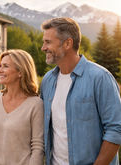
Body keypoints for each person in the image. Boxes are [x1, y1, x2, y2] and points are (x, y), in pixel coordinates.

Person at [40, 17, 121, 165]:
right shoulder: (47, 81)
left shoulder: (100, 78)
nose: (43, 48)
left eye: (48, 42)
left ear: (67, 43)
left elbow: (116, 129)